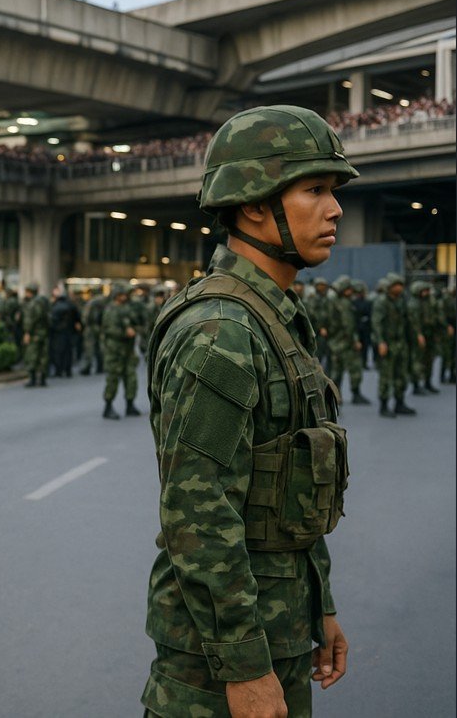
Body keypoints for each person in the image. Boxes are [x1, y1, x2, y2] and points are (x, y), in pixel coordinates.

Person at [142, 105, 352, 717]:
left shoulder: (273, 318)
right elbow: (198, 515)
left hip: (275, 632)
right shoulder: (221, 332)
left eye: (332, 191)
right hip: (220, 662)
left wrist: (322, 607)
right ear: (254, 203)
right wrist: (245, 670)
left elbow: (286, 492)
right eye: (315, 189)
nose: (335, 209)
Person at [372, 273, 417, 417]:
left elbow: (408, 322)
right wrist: (380, 342)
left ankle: (399, 403)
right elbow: (376, 323)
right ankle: (384, 405)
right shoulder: (381, 301)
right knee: (386, 375)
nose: (399, 288)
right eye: (396, 285)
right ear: (389, 287)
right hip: (388, 343)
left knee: (401, 374)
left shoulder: (402, 301)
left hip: (401, 343)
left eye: (401, 285)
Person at [100, 284, 140, 419]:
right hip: (114, 350)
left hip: (127, 350)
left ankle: (130, 404)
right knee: (113, 378)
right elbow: (109, 330)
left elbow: (135, 322)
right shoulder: (111, 310)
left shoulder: (126, 308)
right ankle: (108, 406)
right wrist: (125, 333)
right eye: (123, 294)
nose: (125, 297)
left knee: (131, 377)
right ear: (117, 295)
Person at [328, 276, 369, 405]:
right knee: (355, 369)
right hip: (346, 343)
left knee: (337, 370)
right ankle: (356, 394)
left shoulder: (335, 301)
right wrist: (355, 341)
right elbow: (349, 326)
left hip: (336, 342)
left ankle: (335, 396)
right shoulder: (345, 304)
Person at [21, 282, 50, 387]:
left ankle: (32, 379)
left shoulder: (32, 303)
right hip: (44, 332)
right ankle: (42, 379)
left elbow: (30, 320)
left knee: (32, 355)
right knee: (43, 356)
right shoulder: (44, 301)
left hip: (34, 334)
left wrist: (27, 333)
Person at [48, 284, 80, 377]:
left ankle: (59, 370)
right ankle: (68, 370)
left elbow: (51, 321)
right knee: (68, 352)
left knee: (58, 352)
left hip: (58, 333)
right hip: (69, 332)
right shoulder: (71, 306)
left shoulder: (54, 307)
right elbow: (77, 318)